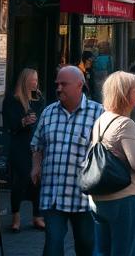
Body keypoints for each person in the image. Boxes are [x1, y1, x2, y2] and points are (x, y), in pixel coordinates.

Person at [31, 66, 105, 256]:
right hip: (53, 193)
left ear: (80, 85)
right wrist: (36, 166)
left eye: (64, 84)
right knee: (53, 244)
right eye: (57, 84)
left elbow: (107, 150)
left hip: (84, 197)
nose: (59, 88)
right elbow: (37, 145)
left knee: (86, 245)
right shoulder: (48, 112)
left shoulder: (98, 113)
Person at [88, 72, 135, 256]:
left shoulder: (102, 120)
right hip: (123, 196)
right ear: (126, 93)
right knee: (124, 249)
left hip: (99, 196)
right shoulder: (126, 124)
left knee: (102, 250)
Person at [3, 68, 46, 232]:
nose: (35, 83)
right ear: (25, 81)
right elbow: (8, 125)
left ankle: (37, 216)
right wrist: (23, 121)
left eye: (36, 80)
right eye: (32, 80)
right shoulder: (12, 100)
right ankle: (16, 217)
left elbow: (43, 119)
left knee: (37, 180)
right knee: (20, 180)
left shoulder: (38, 99)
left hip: (36, 145)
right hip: (19, 144)